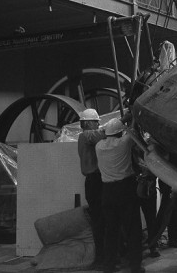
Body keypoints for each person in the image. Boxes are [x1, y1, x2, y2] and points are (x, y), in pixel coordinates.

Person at [95, 118, 144, 273]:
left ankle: (109, 266)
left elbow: (103, 134)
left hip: (107, 192)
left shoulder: (99, 146)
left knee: (111, 231)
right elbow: (134, 131)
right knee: (132, 229)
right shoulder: (124, 143)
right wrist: (133, 116)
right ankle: (135, 265)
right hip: (125, 190)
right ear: (120, 132)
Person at [76, 109, 106, 268]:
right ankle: (101, 258)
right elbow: (102, 135)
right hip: (95, 182)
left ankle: (104, 256)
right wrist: (122, 123)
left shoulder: (86, 137)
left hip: (94, 181)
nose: (98, 123)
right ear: (87, 123)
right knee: (100, 221)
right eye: (95, 121)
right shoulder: (86, 135)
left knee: (101, 220)